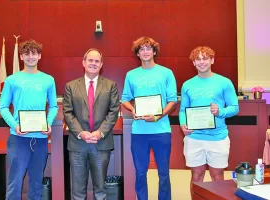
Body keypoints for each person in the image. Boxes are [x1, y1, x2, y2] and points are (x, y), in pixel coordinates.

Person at [0, 39, 58, 200]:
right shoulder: (12, 80)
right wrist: (14, 125)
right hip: (18, 138)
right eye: (27, 54)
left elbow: (53, 106)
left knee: (37, 182)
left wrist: (48, 122)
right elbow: (3, 107)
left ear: (39, 56)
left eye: (34, 53)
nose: (31, 57)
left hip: (40, 138)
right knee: (15, 182)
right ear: (21, 56)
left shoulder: (48, 80)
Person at [179, 46, 239, 197]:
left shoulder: (224, 82)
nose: (201, 62)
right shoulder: (187, 85)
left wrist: (220, 111)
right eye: (198, 59)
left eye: (205, 58)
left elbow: (234, 107)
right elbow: (182, 110)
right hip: (194, 138)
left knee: (217, 178)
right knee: (196, 177)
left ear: (212, 60)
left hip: (218, 138)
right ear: (193, 63)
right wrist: (183, 124)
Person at [121, 37, 177, 200]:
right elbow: (124, 98)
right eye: (141, 49)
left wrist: (158, 116)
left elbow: (172, 99)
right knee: (140, 173)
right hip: (139, 131)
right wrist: (132, 109)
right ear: (137, 54)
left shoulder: (166, 73)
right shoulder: (131, 75)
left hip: (161, 130)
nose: (145, 52)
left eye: (148, 48)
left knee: (164, 173)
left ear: (154, 51)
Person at [63, 48, 120, 200]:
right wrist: (81, 133)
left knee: (100, 191)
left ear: (101, 64)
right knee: (77, 191)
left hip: (101, 143)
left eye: (97, 61)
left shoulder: (111, 86)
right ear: (84, 62)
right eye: (90, 60)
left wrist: (100, 132)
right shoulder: (71, 86)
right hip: (77, 144)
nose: (93, 64)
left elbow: (113, 111)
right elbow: (68, 113)